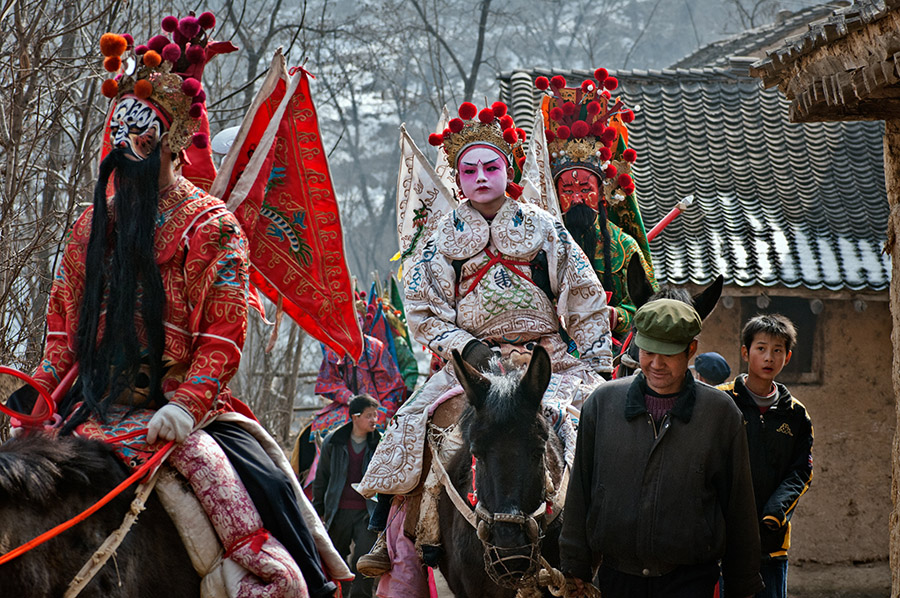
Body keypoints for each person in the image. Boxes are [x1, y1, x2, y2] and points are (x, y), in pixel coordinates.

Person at [6, 17, 341, 598]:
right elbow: (64, 332)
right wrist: (38, 389)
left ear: (173, 142)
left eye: (141, 137)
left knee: (253, 528)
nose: (126, 148)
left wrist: (185, 405)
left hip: (186, 415)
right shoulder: (90, 228)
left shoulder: (211, 227)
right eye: (120, 135)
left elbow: (223, 336)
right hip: (90, 409)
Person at [355, 100, 612, 584]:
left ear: (507, 170)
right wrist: (465, 348)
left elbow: (583, 294)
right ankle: (388, 532)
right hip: (472, 367)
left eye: (490, 166)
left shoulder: (544, 227)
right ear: (457, 176)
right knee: (411, 422)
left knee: (602, 419)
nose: (479, 176)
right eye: (468, 169)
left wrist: (596, 360)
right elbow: (423, 309)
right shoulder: (440, 239)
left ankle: (616, 528)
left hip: (548, 364)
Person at [560, 299, 763, 598]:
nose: (656, 364)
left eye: (667, 354)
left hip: (690, 579)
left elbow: (739, 506)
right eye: (648, 352)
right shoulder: (603, 404)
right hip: (617, 578)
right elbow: (580, 490)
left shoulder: (720, 414)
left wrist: (743, 584)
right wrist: (575, 566)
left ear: (690, 350)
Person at [534, 70, 658, 336]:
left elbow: (650, 307)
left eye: (585, 189)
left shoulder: (625, 247)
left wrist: (617, 316)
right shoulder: (538, 243)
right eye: (567, 189)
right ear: (555, 194)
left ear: (603, 193)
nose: (577, 197)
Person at [718, 314, 814, 598]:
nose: (769, 357)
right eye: (761, 348)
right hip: (725, 541)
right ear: (745, 352)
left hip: (771, 542)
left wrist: (774, 515)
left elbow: (801, 472)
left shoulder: (796, 415)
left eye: (777, 350)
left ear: (787, 356)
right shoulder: (722, 402)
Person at [313, 395, 384, 598]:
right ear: (355, 417)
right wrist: (319, 511)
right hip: (338, 512)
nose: (374, 420)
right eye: (369, 415)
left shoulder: (379, 444)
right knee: (337, 564)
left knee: (363, 565)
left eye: (376, 415)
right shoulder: (333, 443)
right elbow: (322, 479)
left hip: (367, 514)